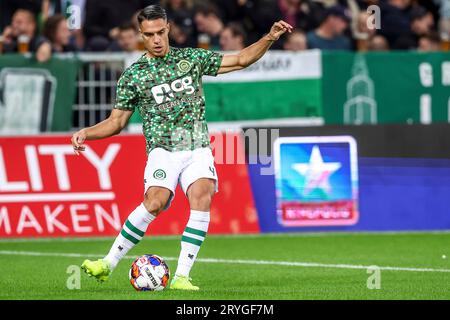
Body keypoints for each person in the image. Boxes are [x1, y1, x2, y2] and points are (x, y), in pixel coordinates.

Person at [73, 4, 292, 291]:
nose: (156, 39)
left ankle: (181, 277)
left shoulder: (191, 58)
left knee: (202, 196)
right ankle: (108, 263)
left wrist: (270, 37)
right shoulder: (133, 75)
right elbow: (116, 122)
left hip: (198, 146)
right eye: (149, 34)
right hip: (162, 150)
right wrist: (87, 133)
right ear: (141, 34)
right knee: (156, 202)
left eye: (161, 32)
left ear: (168, 29)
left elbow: (240, 59)